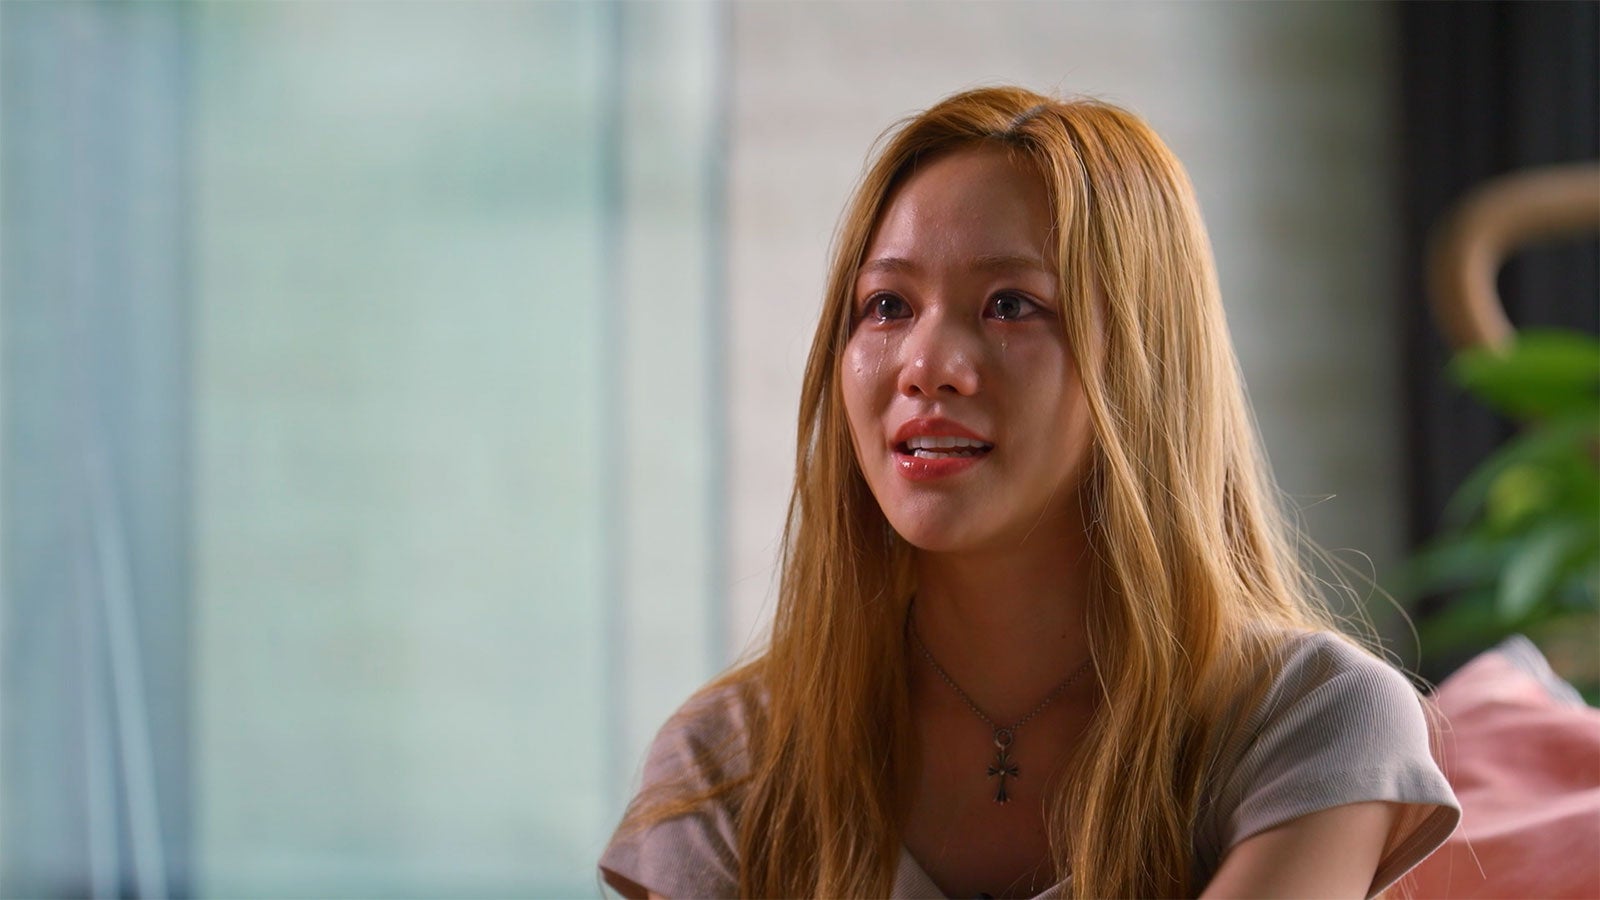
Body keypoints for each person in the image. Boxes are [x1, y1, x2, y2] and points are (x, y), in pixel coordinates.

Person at [598, 86, 1460, 899]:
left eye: (1010, 305)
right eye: (888, 306)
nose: (926, 366)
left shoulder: (1316, 719)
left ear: (1143, 363)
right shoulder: (729, 764)